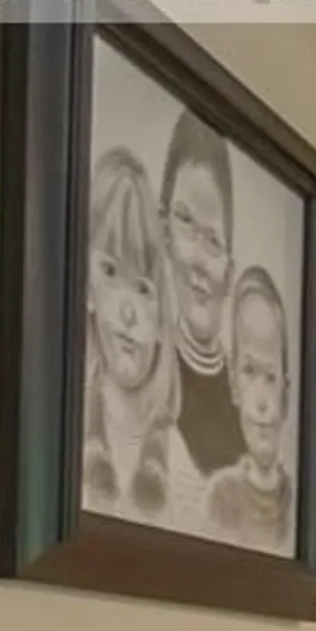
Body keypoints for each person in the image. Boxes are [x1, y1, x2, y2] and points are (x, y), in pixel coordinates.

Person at [79, 147, 184, 522]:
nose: (127, 312)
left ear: (160, 321)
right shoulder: (63, 440)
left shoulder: (182, 470)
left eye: (142, 288)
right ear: (87, 290)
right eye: (109, 271)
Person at [160, 110, 245, 485]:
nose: (197, 258)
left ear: (229, 271)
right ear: (163, 232)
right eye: (185, 223)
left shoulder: (249, 409)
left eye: (212, 240)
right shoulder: (146, 384)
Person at [200, 267, 296, 553]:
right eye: (249, 371)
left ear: (286, 395)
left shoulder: (295, 503)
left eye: (270, 377)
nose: (262, 401)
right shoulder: (220, 497)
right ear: (233, 384)